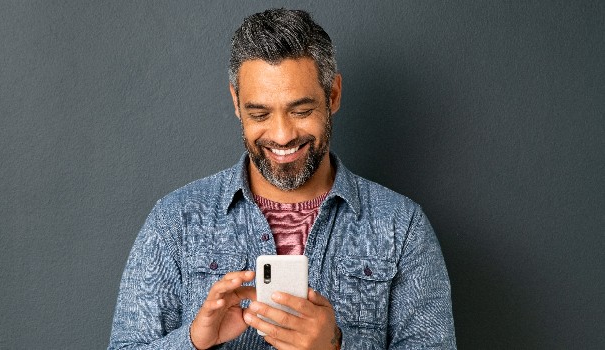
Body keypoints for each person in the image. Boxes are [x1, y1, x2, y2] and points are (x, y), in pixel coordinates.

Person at [108, 8, 456, 350]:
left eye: (301, 111)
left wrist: (335, 347)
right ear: (236, 102)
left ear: (332, 95)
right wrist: (194, 341)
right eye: (259, 113)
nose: (282, 134)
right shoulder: (175, 221)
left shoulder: (402, 226)